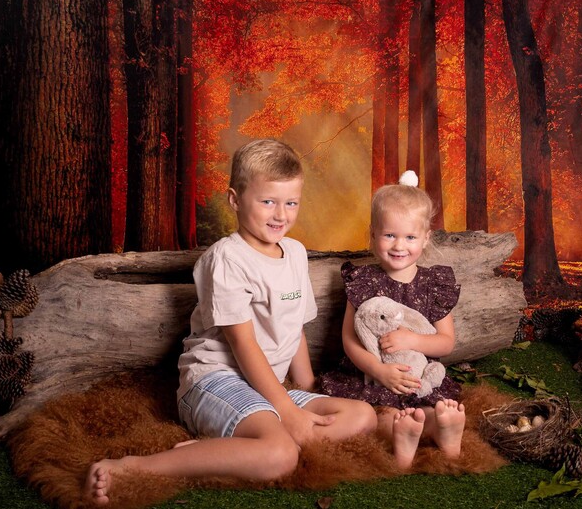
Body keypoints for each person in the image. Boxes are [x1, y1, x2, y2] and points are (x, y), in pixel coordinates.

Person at [85, 139, 377, 505]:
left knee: (362, 417)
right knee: (281, 455)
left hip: (267, 387)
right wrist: (288, 412)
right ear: (235, 200)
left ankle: (220, 450)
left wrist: (306, 390)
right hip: (217, 380)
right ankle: (138, 467)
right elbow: (243, 343)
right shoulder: (226, 259)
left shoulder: (296, 253)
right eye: (267, 201)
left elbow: (295, 330)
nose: (281, 215)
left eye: (291, 203)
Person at [318, 171, 466, 470]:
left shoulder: (434, 283)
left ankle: (443, 428)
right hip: (373, 375)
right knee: (381, 416)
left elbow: (446, 342)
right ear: (373, 234)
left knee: (429, 406)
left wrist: (413, 340)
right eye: (390, 235)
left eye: (410, 237)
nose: (399, 246)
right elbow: (350, 339)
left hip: (418, 376)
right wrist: (378, 370)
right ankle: (404, 434)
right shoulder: (364, 281)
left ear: (426, 238)